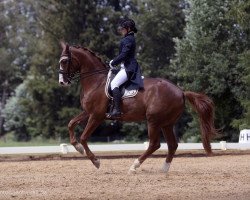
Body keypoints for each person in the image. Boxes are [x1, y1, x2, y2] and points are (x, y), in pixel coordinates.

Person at [108, 18, 144, 118]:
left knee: (114, 83)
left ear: (128, 29)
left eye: (123, 29)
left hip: (129, 67)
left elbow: (124, 55)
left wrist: (113, 62)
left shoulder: (128, 39)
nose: (121, 31)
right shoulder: (129, 38)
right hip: (125, 66)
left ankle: (117, 110)